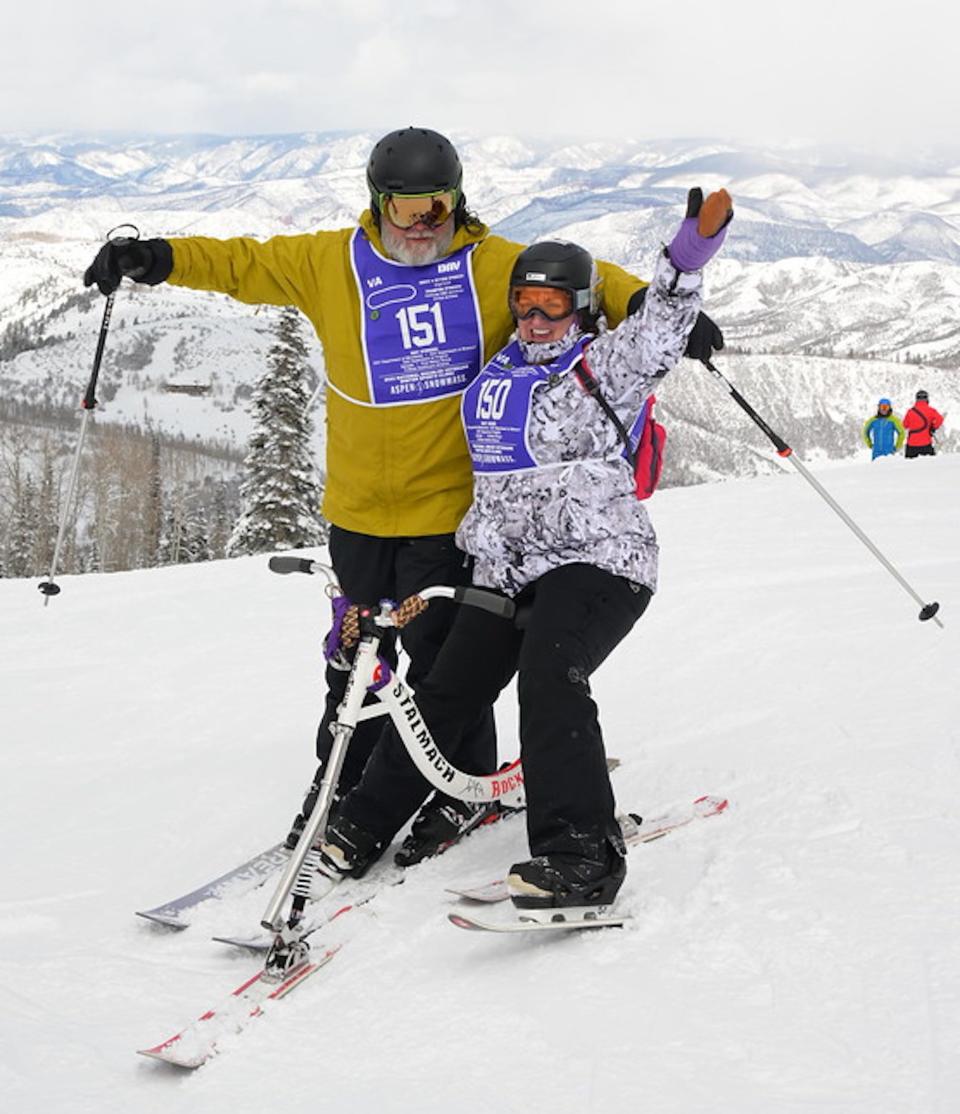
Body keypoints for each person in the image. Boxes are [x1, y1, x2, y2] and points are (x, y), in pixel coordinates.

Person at [82, 127, 725, 866]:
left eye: (439, 205)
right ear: (378, 203)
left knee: (443, 671)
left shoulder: (492, 266)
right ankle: (343, 799)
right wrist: (158, 258)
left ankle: (459, 791)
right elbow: (244, 262)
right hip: (358, 513)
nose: (424, 223)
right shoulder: (332, 262)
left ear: (459, 200)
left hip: (446, 516)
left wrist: (652, 301)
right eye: (408, 207)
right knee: (355, 664)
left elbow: (582, 282)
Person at [317, 186, 732, 916]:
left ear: (581, 308)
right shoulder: (492, 379)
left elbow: (663, 323)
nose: (537, 321)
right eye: (525, 305)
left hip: (599, 561)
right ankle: (359, 825)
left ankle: (580, 855)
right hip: (505, 570)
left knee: (549, 671)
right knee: (445, 691)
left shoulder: (606, 364)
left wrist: (687, 255)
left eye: (554, 307)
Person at [902, 390, 944, 458]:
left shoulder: (910, 411)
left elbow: (905, 425)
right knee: (929, 466)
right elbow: (940, 419)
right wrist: (933, 428)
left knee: (909, 467)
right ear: (927, 399)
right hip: (926, 443)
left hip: (912, 444)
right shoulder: (931, 410)